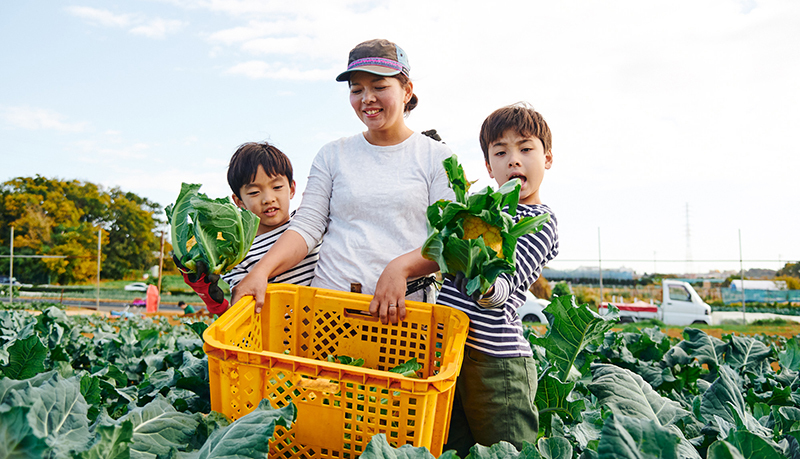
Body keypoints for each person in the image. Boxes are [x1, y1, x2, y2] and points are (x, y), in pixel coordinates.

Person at [231, 39, 455, 323]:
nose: (367, 98)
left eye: (379, 86)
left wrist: (402, 267)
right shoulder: (332, 155)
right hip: (330, 308)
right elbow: (307, 227)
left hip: (404, 313)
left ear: (407, 90)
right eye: (356, 90)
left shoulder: (438, 157)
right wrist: (260, 272)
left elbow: (450, 239)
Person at [437, 103, 559, 456]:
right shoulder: (477, 211)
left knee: (507, 449)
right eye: (501, 152)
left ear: (547, 159)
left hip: (497, 363)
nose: (514, 160)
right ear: (490, 168)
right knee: (453, 446)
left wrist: (486, 284)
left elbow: (509, 282)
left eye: (525, 149)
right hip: (452, 353)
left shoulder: (539, 221)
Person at [178, 142, 321, 314]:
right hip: (278, 336)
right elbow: (244, 307)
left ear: (291, 189)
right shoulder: (236, 254)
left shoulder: (308, 224)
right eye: (254, 192)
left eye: (277, 187)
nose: (268, 198)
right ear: (239, 201)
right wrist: (214, 302)